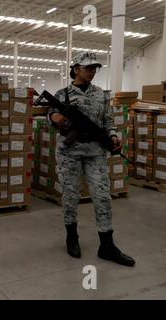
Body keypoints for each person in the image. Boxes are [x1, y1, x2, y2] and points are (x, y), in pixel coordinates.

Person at [48, 52, 135, 267]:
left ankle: (107, 245)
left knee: (103, 195)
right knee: (70, 195)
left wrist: (114, 136)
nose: (93, 71)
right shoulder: (63, 94)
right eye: (88, 68)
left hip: (95, 151)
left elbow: (107, 120)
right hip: (70, 152)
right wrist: (55, 117)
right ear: (76, 69)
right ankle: (72, 237)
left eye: (95, 68)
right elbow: (50, 114)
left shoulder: (101, 95)